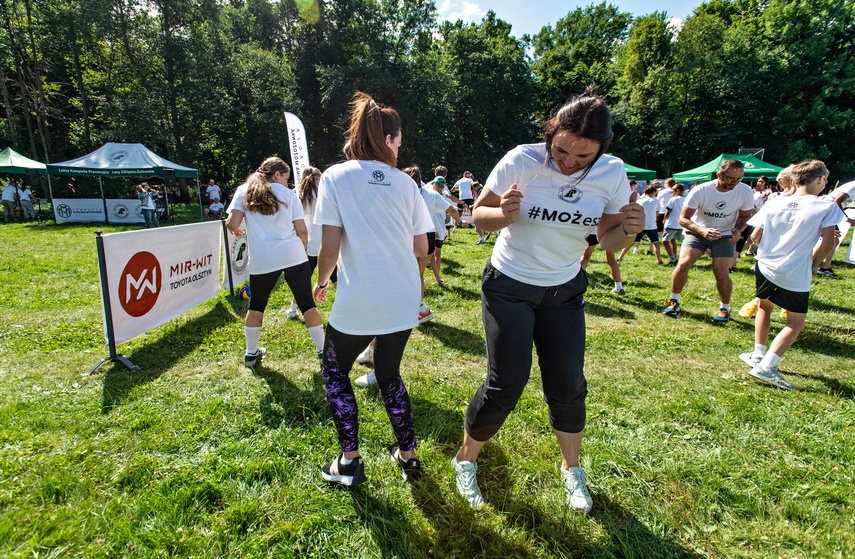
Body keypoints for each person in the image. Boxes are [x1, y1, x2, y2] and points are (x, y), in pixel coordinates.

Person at [452, 86, 644, 513]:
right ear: (550, 133)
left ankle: (571, 468)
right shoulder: (522, 158)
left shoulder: (611, 171)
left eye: (582, 156)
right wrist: (504, 213)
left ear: (602, 149)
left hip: (564, 288)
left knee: (568, 385)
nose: (570, 162)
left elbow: (608, 238)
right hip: (509, 283)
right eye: (561, 151)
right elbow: (476, 215)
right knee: (506, 383)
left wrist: (629, 229)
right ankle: (466, 460)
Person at [313, 92, 433, 486]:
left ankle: (349, 462)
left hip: (360, 297)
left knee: (334, 371)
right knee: (389, 375)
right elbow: (422, 249)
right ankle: (409, 455)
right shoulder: (406, 183)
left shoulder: (335, 176)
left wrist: (320, 281)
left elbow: (329, 247)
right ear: (389, 138)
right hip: (402, 297)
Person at [738, 160, 844, 390]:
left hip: (765, 265)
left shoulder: (775, 201)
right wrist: (814, 266)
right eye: (825, 179)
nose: (825, 184)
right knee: (795, 322)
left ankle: (758, 353)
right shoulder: (826, 206)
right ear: (818, 180)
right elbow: (828, 243)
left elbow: (755, 236)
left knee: (765, 307)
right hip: (795, 270)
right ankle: (767, 366)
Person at [225, 157, 326, 369]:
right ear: (276, 174)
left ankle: (251, 354)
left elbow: (232, 223)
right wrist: (302, 248)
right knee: (307, 303)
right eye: (286, 178)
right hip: (293, 254)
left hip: (263, 257)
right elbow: (302, 229)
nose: (287, 183)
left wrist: (235, 228)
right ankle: (323, 353)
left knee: (257, 305)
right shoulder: (288, 194)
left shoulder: (244, 191)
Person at [662, 159, 754, 322]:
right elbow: (683, 219)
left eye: (739, 179)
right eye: (731, 179)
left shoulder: (745, 191)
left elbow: (746, 216)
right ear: (719, 174)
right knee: (684, 263)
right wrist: (702, 230)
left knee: (720, 271)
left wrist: (738, 230)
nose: (735, 183)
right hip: (697, 231)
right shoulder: (701, 190)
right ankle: (674, 301)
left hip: (724, 235)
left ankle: (724, 309)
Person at [738, 165, 795, 319]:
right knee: (788, 283)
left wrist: (762, 249)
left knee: (767, 286)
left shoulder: (776, 200)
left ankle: (761, 304)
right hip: (795, 252)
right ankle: (784, 307)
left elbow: (756, 234)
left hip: (771, 250)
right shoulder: (811, 202)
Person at [287, 166, 339, 320]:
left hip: (308, 244)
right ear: (318, 177)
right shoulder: (324, 194)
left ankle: (293, 309)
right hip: (327, 242)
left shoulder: (298, 196)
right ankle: (349, 308)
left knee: (303, 280)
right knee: (336, 277)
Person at [580, 178, 638, 295]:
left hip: (595, 231)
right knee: (611, 259)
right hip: (608, 231)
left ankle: (574, 285)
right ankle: (619, 287)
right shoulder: (622, 195)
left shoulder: (602, 192)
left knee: (585, 258)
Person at [814, 178, 855, 278]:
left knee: (832, 240)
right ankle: (814, 265)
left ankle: (824, 267)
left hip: (829, 210)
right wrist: (847, 218)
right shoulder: (853, 186)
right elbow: (837, 201)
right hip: (827, 210)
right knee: (830, 240)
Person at [618, 183, 664, 264]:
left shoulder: (639, 201)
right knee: (655, 243)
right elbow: (657, 213)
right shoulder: (656, 201)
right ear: (654, 192)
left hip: (639, 224)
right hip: (651, 225)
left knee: (631, 242)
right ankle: (658, 260)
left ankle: (620, 257)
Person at [662, 184, 686, 265]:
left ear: (678, 190)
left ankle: (672, 259)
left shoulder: (673, 200)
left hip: (671, 224)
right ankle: (674, 257)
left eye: (673, 191)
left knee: (665, 241)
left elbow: (668, 211)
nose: (672, 193)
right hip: (680, 225)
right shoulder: (686, 199)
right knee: (673, 240)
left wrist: (665, 219)